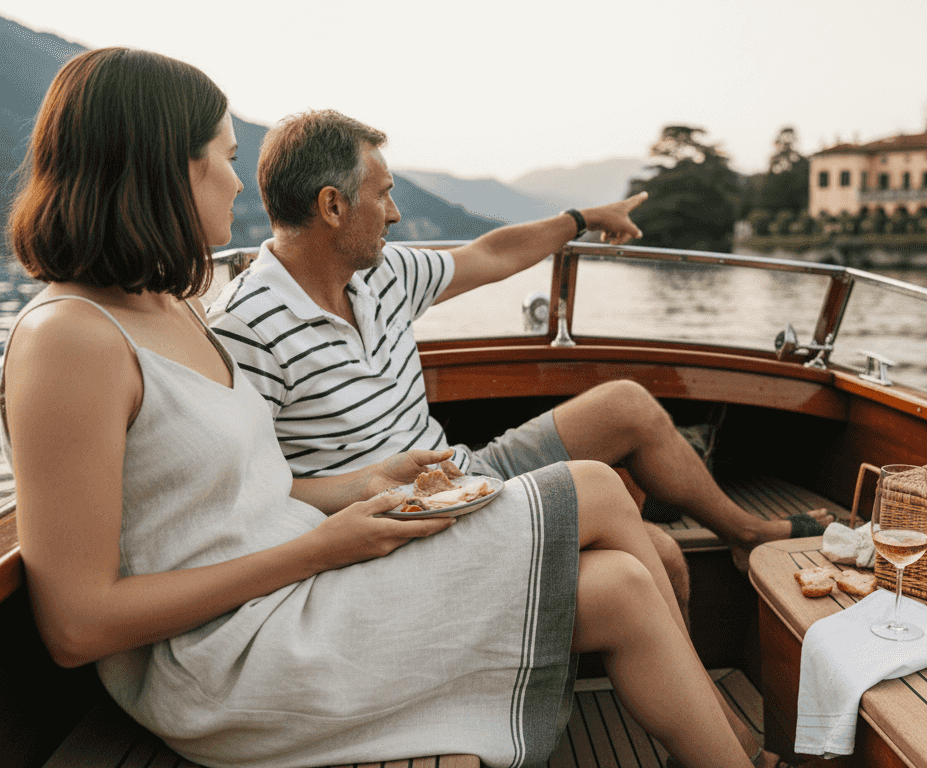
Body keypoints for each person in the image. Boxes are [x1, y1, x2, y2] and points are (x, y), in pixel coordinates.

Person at [2, 47, 767, 768]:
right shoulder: (69, 342)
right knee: (596, 491)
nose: (240, 187)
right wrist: (321, 548)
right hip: (228, 658)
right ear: (165, 169)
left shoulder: (172, 306)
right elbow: (77, 625)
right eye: (227, 160)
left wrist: (359, 490)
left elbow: (242, 495)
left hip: (293, 589)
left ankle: (732, 750)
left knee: (624, 583)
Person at [205, 110, 834, 583]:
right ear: (333, 206)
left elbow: (491, 253)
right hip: (397, 526)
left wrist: (581, 220)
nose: (395, 215)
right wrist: (370, 484)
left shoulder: (382, 273)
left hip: (461, 474)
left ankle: (745, 532)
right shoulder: (246, 327)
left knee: (626, 404)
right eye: (383, 194)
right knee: (661, 555)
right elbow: (248, 494)